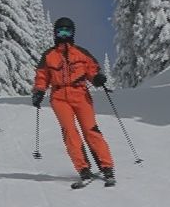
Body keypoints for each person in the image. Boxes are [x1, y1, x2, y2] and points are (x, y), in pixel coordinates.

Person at [31, 17, 114, 187]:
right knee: (69, 132)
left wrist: (97, 78)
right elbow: (42, 76)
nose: (63, 34)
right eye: (60, 31)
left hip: (80, 94)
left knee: (91, 130)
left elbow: (92, 70)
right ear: (55, 33)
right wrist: (39, 91)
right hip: (59, 96)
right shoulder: (49, 56)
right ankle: (83, 169)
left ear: (72, 33)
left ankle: (106, 167)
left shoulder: (81, 53)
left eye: (67, 31)